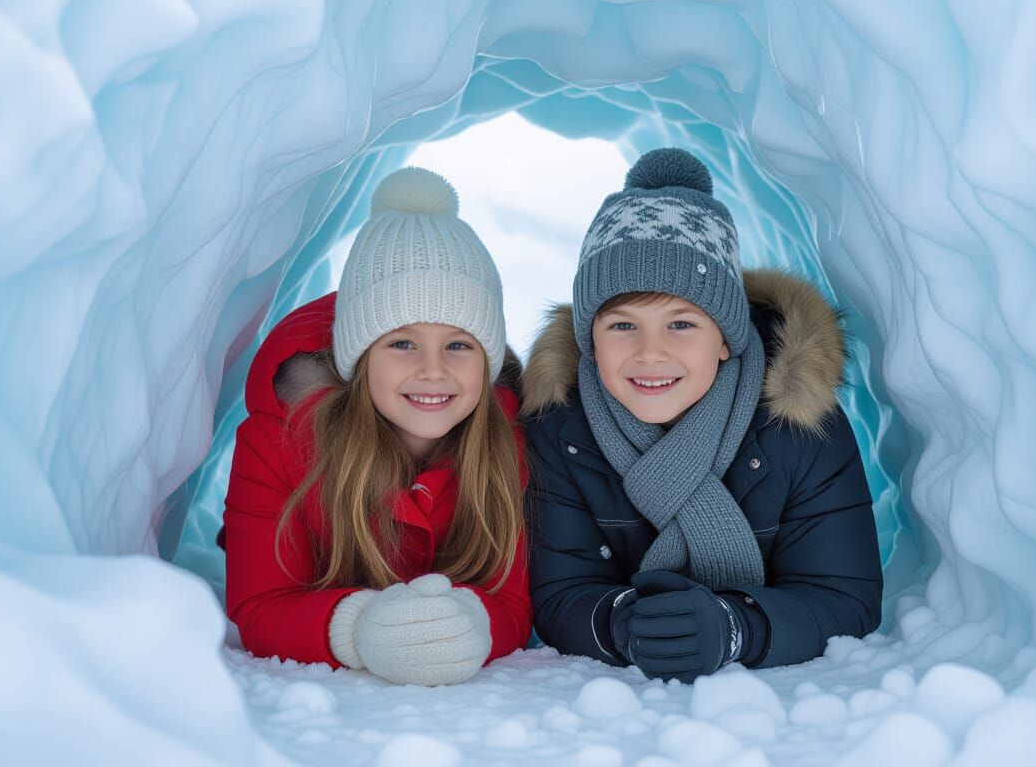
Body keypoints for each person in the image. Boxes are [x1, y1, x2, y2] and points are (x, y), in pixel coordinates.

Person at [521, 148, 882, 683]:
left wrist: (738, 626)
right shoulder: (561, 429)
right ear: (590, 341)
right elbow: (560, 592)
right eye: (622, 326)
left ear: (725, 339)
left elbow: (843, 596)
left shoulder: (798, 425)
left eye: (682, 324)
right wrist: (623, 623)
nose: (650, 353)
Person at [223, 166, 531, 686]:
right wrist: (358, 627)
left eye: (458, 345)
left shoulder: (510, 443)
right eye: (402, 343)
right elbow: (260, 604)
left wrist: (470, 622)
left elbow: (514, 600)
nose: (433, 370)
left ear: (488, 360)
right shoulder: (280, 440)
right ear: (361, 357)